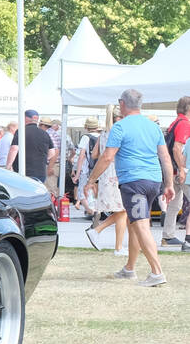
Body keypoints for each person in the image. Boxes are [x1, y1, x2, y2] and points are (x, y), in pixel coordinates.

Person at [85, 88, 174, 287]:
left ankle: (157, 272)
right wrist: (169, 184)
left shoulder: (120, 127)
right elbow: (165, 157)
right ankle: (129, 269)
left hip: (134, 182)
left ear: (122, 103)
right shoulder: (153, 127)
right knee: (136, 224)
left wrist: (91, 181)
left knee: (140, 225)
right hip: (153, 180)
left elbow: (107, 157)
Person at [86, 105, 128, 257]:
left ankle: (115, 244)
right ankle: (110, 241)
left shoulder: (103, 133)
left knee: (121, 211)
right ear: (118, 118)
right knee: (122, 210)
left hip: (105, 173)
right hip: (116, 172)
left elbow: (95, 154)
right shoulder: (119, 132)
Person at [159, 96, 190, 249]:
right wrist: (182, 169)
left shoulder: (175, 122)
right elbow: (177, 148)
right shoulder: (185, 124)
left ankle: (168, 236)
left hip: (171, 169)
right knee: (175, 203)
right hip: (179, 170)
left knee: (174, 203)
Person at [5, 109, 55, 183]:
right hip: (40, 172)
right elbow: (52, 152)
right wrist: (41, 159)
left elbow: (14, 148)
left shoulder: (21, 131)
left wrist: (8, 166)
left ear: (26, 118)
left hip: (23, 172)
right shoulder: (44, 133)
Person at [73, 116, 100, 217]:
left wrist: (77, 173)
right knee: (95, 190)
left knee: (81, 192)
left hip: (87, 169)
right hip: (100, 168)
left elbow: (81, 156)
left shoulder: (86, 137)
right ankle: (96, 210)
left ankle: (92, 212)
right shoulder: (101, 136)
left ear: (86, 126)